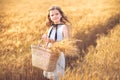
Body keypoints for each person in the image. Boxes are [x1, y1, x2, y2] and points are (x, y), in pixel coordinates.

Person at [42, 5, 70, 80]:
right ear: (50, 17)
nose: (55, 16)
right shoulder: (50, 28)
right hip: (49, 54)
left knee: (57, 75)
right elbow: (47, 42)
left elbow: (66, 42)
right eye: (52, 15)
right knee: (49, 75)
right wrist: (45, 39)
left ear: (61, 15)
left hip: (58, 54)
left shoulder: (64, 27)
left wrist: (52, 41)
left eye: (57, 14)